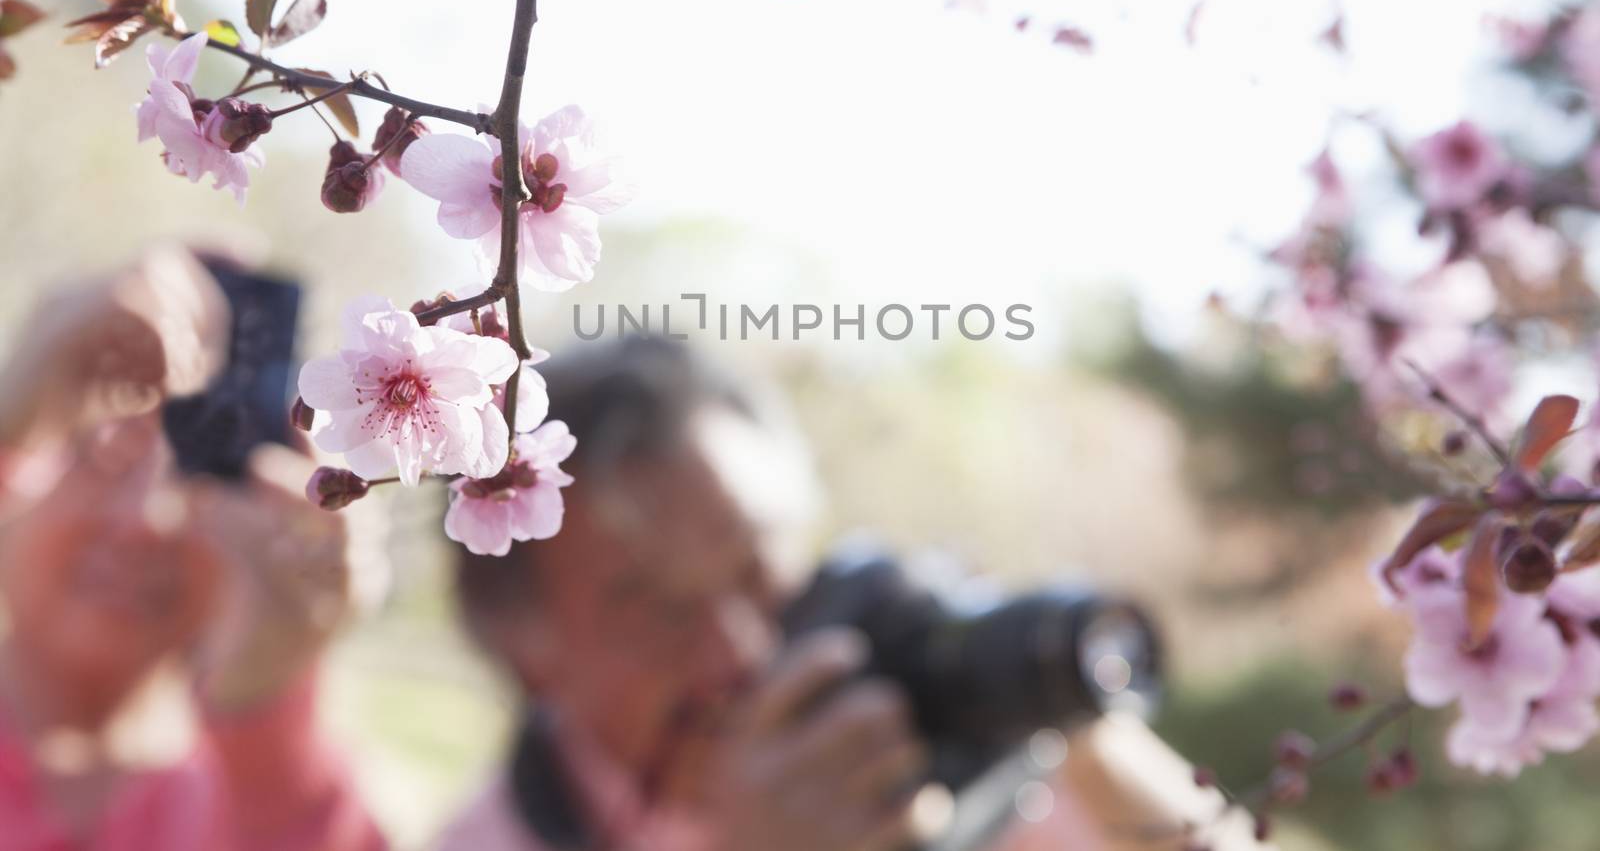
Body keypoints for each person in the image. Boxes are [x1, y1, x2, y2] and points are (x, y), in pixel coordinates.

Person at [440, 336, 1256, 851]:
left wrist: (1050, 711)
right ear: (523, 648)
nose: (744, 649)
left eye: (760, 571)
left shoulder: (923, 742)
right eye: (659, 611)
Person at [0, 247, 386, 851]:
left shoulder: (277, 802)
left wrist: (268, 691)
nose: (145, 519)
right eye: (107, 451)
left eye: (205, 475)